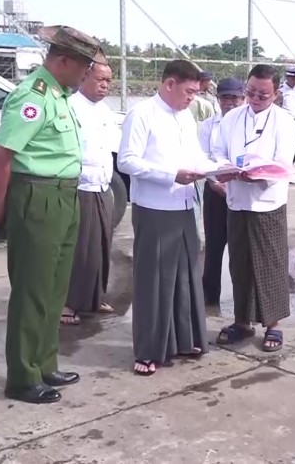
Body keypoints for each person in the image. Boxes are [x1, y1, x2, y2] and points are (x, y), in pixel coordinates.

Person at [0, 25, 104, 404]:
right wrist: (0, 209)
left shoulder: (59, 95)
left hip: (64, 196)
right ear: (64, 61)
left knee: (54, 289)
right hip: (37, 196)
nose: (86, 74)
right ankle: (22, 376)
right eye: (83, 67)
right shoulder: (33, 96)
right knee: (32, 291)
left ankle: (44, 363)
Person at [117, 59, 219, 376]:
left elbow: (195, 157)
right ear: (169, 84)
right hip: (155, 207)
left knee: (186, 277)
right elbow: (127, 161)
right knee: (154, 281)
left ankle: (185, 339)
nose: (192, 98)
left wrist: (220, 170)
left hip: (185, 205)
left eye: (196, 92)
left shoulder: (186, 116)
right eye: (188, 92)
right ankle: (148, 349)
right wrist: (170, 175)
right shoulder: (142, 114)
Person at [212, 64, 295, 352]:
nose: (255, 99)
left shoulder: (284, 121)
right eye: (250, 93)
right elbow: (218, 150)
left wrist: (258, 173)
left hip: (267, 202)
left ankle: (273, 324)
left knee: (271, 263)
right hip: (237, 199)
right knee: (239, 263)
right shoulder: (232, 118)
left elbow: (283, 161)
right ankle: (242, 321)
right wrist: (225, 167)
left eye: (263, 95)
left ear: (275, 94)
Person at [62, 60, 117, 326]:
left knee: (102, 246)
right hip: (80, 185)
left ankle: (95, 297)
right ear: (84, 77)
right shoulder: (70, 107)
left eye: (109, 81)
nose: (105, 85)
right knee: (80, 248)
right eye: (100, 79)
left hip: (103, 184)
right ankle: (69, 303)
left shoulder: (105, 111)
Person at [198, 77, 246, 306]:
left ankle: (243, 302)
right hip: (215, 192)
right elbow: (203, 158)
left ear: (243, 99)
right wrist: (213, 182)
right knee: (214, 246)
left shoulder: (249, 124)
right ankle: (210, 296)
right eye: (225, 98)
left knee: (242, 249)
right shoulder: (208, 126)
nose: (230, 102)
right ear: (218, 100)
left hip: (243, 192)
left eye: (234, 98)